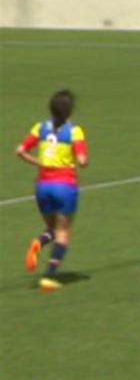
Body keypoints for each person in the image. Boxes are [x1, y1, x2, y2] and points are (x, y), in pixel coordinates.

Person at [14, 89, 88, 291]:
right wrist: (80, 158)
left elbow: (20, 150)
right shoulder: (74, 131)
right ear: (69, 111)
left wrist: (38, 161)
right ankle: (49, 276)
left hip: (42, 186)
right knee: (63, 231)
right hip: (65, 186)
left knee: (53, 229)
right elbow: (82, 161)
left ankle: (39, 242)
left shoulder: (40, 128)